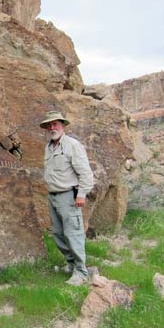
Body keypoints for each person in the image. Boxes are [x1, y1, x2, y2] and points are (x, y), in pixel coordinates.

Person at [40, 111, 94, 286]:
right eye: (49, 125)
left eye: (55, 124)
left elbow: (85, 172)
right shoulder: (49, 147)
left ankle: (81, 271)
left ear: (63, 125)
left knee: (73, 233)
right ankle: (71, 264)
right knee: (57, 233)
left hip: (68, 196)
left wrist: (81, 195)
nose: (52, 127)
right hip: (53, 196)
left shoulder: (72, 145)